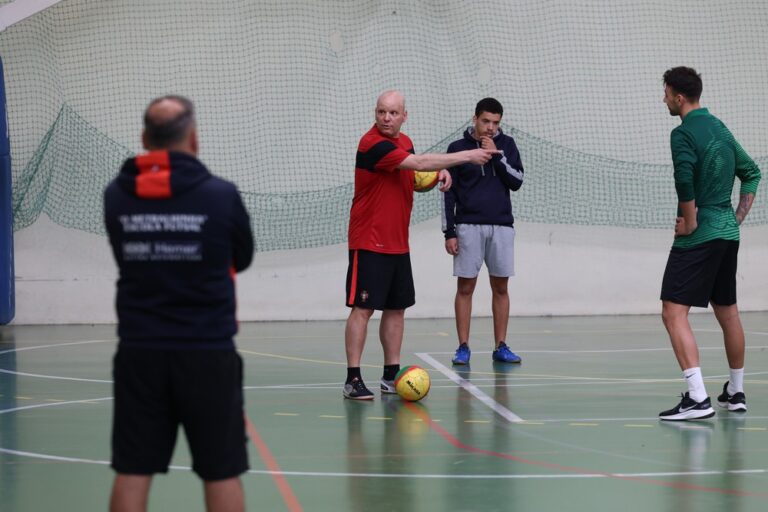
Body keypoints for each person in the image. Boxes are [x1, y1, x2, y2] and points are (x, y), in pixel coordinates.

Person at [104, 95, 254, 511]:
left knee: (132, 468)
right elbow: (241, 258)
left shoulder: (116, 196)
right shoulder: (220, 196)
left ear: (143, 138)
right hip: (206, 352)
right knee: (221, 469)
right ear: (194, 139)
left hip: (140, 351)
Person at [344, 90, 498, 400]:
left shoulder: (405, 142)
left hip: (398, 242)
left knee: (396, 309)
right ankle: (353, 378)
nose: (386, 118)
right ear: (375, 114)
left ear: (404, 115)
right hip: (369, 240)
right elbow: (418, 161)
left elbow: (413, 174)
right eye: (381, 112)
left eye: (392, 113)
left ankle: (390, 374)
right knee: (363, 308)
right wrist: (466, 156)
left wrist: (435, 174)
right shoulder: (372, 144)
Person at [658, 67, 761, 421]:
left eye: (666, 93)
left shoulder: (683, 133)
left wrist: (689, 222)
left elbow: (683, 180)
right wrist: (735, 219)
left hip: (699, 238)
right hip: (728, 234)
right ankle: (736, 391)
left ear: (679, 97)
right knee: (727, 311)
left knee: (673, 311)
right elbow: (752, 172)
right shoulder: (720, 128)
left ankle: (698, 398)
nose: (664, 99)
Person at [442, 98, 524, 366]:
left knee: (501, 287)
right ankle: (463, 347)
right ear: (475, 118)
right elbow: (448, 193)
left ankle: (501, 345)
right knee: (465, 287)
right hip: (468, 227)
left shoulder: (507, 145)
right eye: (486, 121)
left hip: (501, 226)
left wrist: (496, 155)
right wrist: (449, 232)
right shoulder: (457, 148)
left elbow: (517, 181)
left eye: (496, 123)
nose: (490, 128)